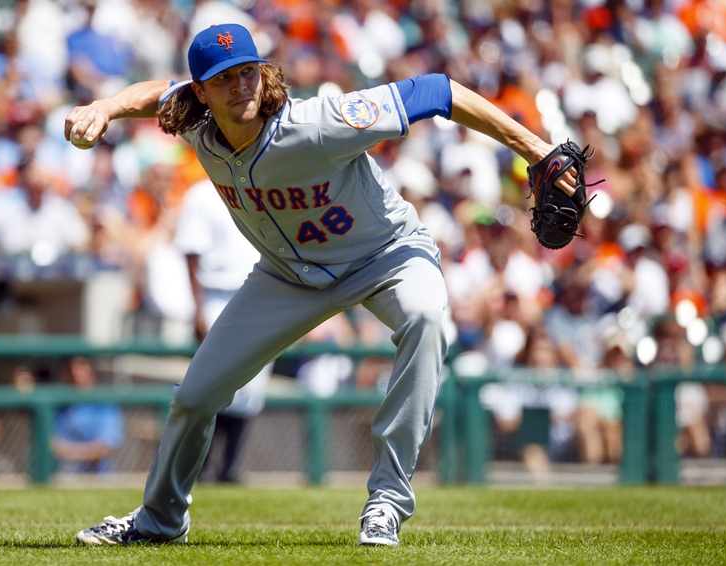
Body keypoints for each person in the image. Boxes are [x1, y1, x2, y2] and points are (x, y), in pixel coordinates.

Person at [66, 23, 577, 547]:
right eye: (224, 80)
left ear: (263, 75)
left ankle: (387, 501)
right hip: (288, 275)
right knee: (195, 396)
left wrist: (533, 148)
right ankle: (159, 520)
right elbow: (156, 93)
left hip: (386, 255)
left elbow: (437, 91)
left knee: (425, 319)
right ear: (201, 91)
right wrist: (105, 106)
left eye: (248, 73)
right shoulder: (193, 119)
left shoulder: (316, 123)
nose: (241, 87)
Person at [174, 178, 272, 483]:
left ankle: (230, 467)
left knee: (250, 389)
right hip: (217, 293)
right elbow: (191, 252)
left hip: (262, 291)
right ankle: (200, 467)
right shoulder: (202, 193)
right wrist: (198, 308)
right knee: (214, 385)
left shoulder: (263, 181)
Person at [51, 356, 124, 474]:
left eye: (81, 366)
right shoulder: (58, 402)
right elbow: (51, 443)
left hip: (99, 474)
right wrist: (84, 452)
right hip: (62, 473)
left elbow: (106, 446)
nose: (75, 372)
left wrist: (73, 453)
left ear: (91, 370)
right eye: (71, 367)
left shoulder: (105, 402)